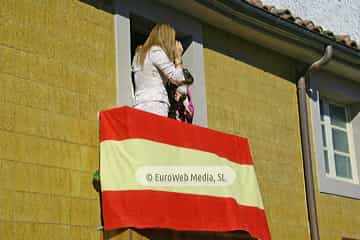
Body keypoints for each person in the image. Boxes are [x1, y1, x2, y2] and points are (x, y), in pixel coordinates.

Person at [132, 24, 185, 117]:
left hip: (139, 103)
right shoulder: (156, 51)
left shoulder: (139, 54)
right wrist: (178, 58)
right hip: (156, 104)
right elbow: (178, 79)